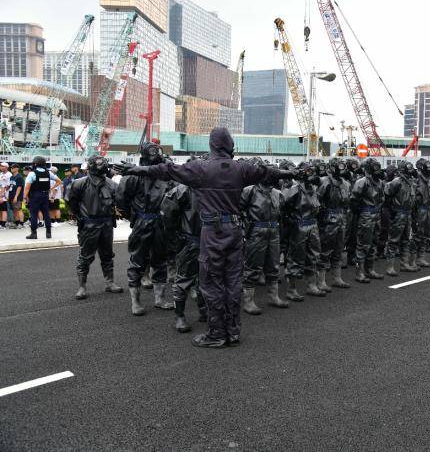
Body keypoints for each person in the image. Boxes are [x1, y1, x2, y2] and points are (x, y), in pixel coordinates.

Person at [114, 128, 296, 348]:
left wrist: (137, 169)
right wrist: (290, 174)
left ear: (212, 146)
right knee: (232, 282)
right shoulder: (242, 169)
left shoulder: (200, 168)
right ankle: (232, 332)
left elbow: (166, 170)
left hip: (213, 232)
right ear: (231, 146)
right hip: (235, 231)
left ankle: (217, 334)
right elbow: (269, 173)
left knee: (211, 283)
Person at [117, 143, 174, 316]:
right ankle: (135, 302)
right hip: (143, 221)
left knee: (161, 261)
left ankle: (159, 299)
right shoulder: (132, 176)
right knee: (137, 261)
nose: (155, 156)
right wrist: (134, 217)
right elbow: (121, 200)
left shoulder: (166, 175)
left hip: (161, 223)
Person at [65, 155, 123, 300]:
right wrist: (80, 217)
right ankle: (82, 286)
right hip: (89, 224)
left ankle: (110, 282)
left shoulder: (112, 185)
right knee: (85, 256)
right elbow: (71, 202)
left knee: (107, 255)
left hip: (106, 225)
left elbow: (119, 202)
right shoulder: (79, 184)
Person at [240, 160, 290, 314]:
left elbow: (282, 214)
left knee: (274, 264)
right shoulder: (250, 190)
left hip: (273, 231)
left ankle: (273, 296)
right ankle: (248, 301)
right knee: (253, 266)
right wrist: (245, 229)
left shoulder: (277, 193)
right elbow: (240, 209)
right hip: (256, 231)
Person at [161, 173, 209, 332]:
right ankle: (180, 316)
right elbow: (167, 216)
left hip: (210, 241)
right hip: (190, 240)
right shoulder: (181, 191)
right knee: (184, 279)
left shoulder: (214, 189)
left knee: (208, 278)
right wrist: (177, 238)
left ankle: (205, 311)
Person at [283, 161, 324, 299]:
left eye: (312, 171)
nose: (310, 174)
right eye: (307, 171)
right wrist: (290, 220)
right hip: (299, 225)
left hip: (313, 225)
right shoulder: (294, 189)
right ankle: (291, 289)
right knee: (295, 256)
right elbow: (283, 205)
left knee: (313, 255)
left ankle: (311, 285)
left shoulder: (312, 187)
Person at [317, 157, 352, 290]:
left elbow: (348, 200)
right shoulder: (324, 181)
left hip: (341, 218)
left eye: (343, 165)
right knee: (325, 250)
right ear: (331, 167)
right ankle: (321, 281)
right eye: (338, 165)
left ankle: (337, 278)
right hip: (328, 219)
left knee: (339, 248)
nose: (341, 168)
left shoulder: (346, 183)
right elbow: (317, 200)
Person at [350, 157, 385, 283]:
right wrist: (361, 212)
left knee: (373, 243)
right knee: (363, 244)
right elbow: (354, 200)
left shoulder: (380, 182)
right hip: (366, 215)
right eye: (374, 166)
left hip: (376, 215)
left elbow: (382, 198)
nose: (377, 168)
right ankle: (359, 272)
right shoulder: (362, 182)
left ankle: (370, 269)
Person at [384, 160, 418, 275]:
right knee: (393, 240)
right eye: (408, 168)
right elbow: (387, 195)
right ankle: (390, 267)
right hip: (398, 213)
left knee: (406, 240)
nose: (410, 170)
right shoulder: (396, 181)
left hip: (408, 213)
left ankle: (404, 264)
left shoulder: (411, 181)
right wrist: (391, 210)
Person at [23, 156, 61, 240]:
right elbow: (59, 181)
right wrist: (50, 189)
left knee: (33, 214)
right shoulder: (48, 173)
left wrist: (25, 197)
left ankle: (34, 233)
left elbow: (27, 187)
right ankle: (48, 233)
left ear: (35, 163)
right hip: (45, 195)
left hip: (35, 196)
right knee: (46, 214)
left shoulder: (32, 173)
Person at [412, 158, 430, 268]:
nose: (428, 168)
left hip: (427, 208)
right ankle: (412, 260)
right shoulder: (416, 178)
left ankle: (421, 258)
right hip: (419, 209)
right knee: (417, 235)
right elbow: (412, 195)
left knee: (426, 234)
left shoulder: (428, 179)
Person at [8, 164, 24, 228]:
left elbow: (19, 187)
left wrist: (16, 197)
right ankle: (16, 223)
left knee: (18, 209)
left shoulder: (19, 177)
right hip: (11, 195)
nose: (12, 169)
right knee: (14, 210)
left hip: (17, 196)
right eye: (11, 168)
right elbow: (11, 186)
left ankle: (21, 223)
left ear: (17, 169)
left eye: (13, 168)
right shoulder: (11, 177)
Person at [0, 162, 10, 230]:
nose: (1, 167)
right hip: (1, 193)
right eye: (0, 166)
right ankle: (1, 223)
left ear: (6, 167)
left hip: (4, 195)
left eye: (3, 166)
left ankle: (3, 224)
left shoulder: (9, 175)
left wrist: (2, 196)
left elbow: (7, 186)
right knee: (1, 210)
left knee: (3, 210)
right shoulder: (1, 174)